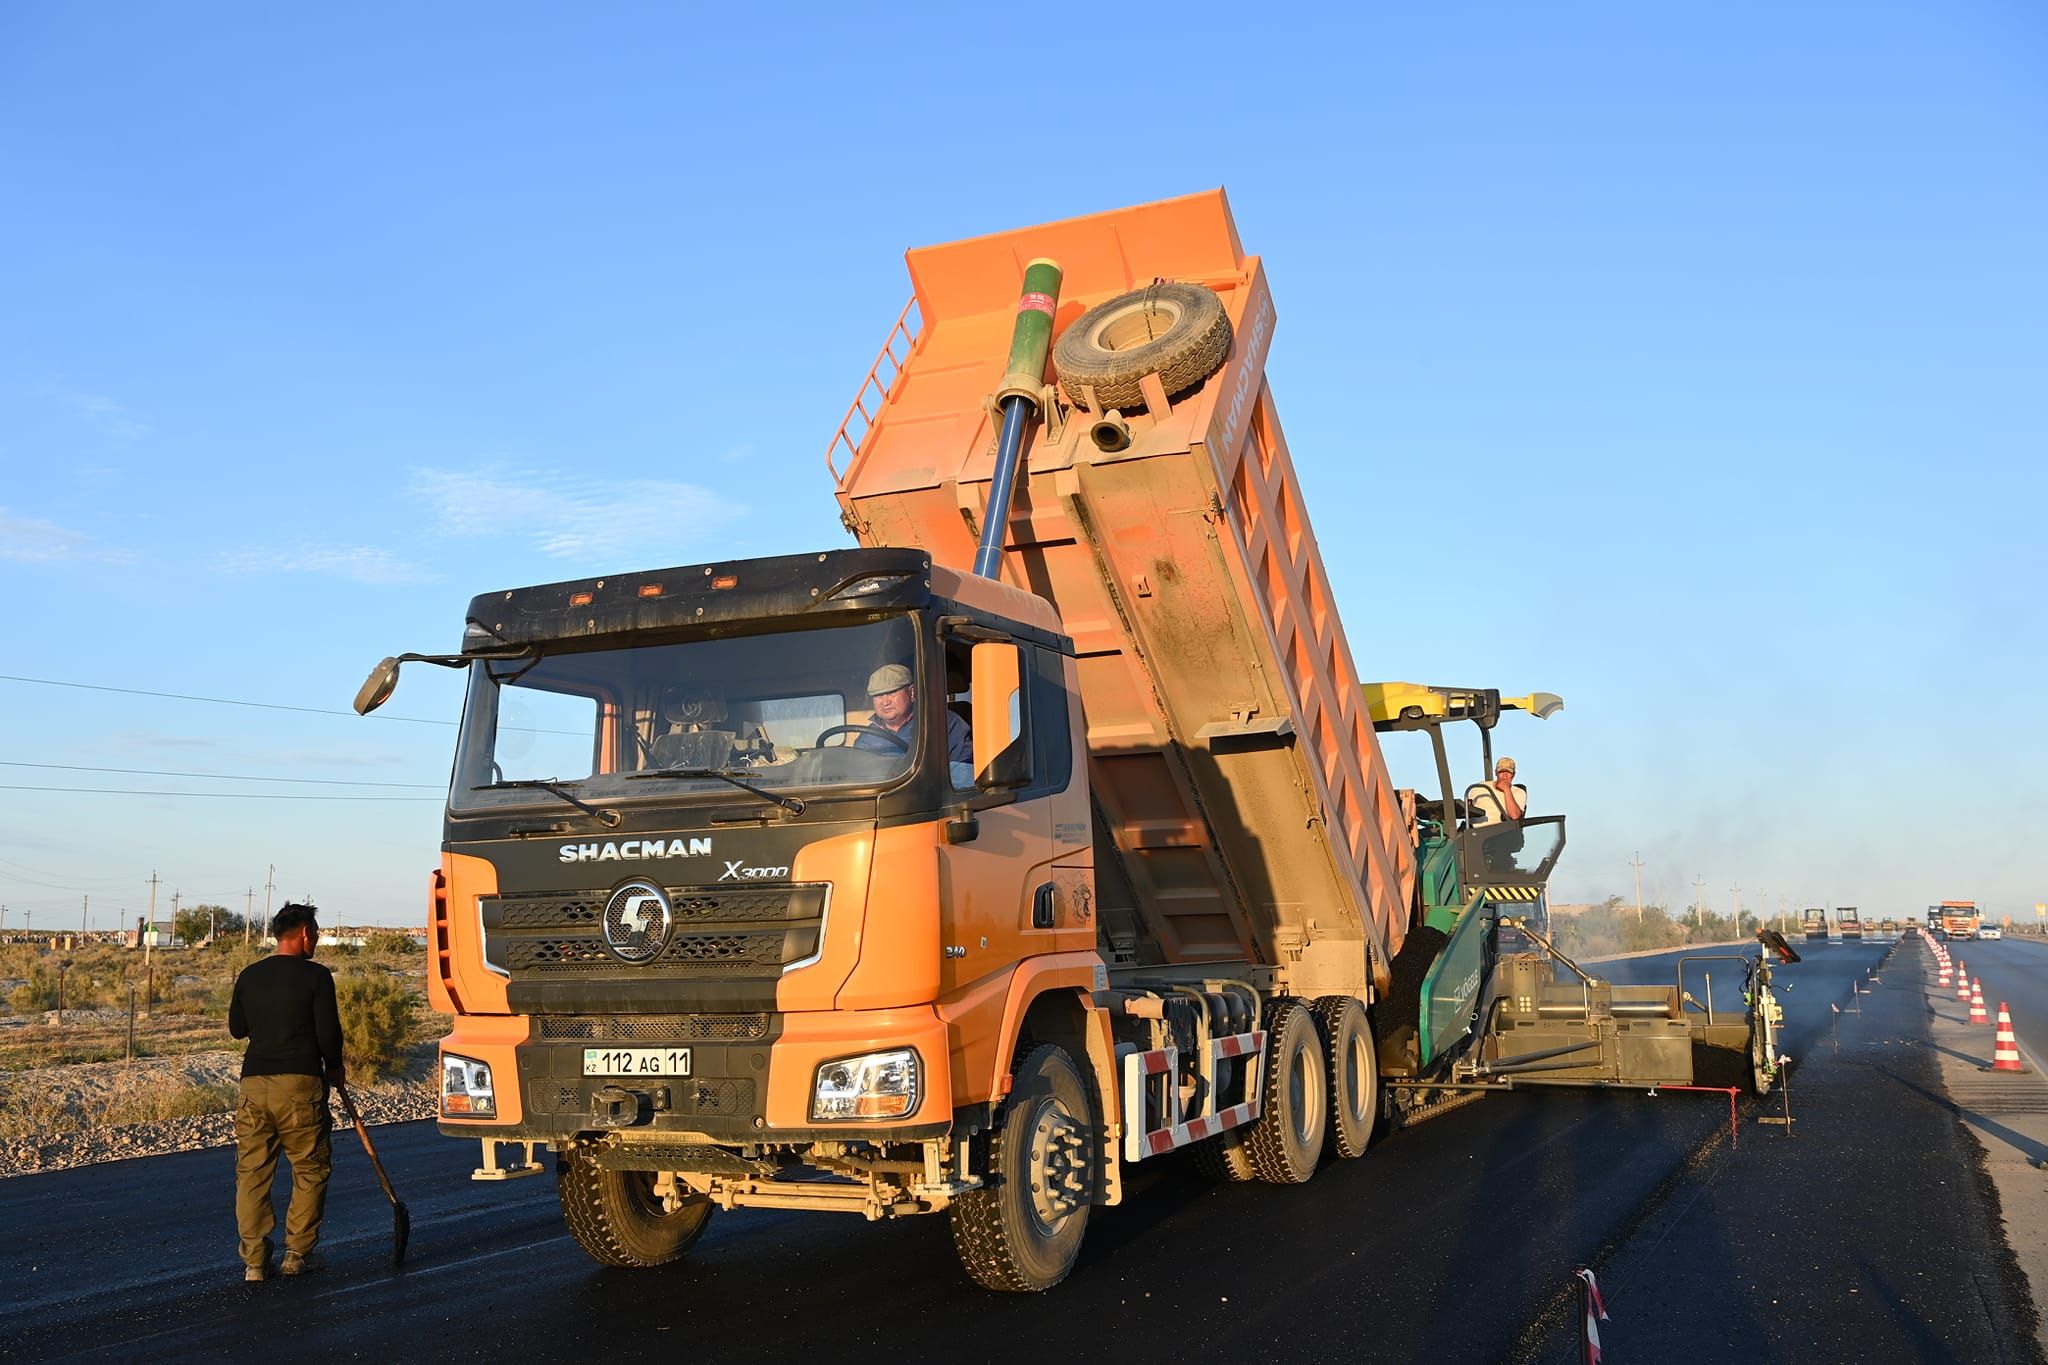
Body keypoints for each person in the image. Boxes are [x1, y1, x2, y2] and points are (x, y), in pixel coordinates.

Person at [228, 902, 344, 1282]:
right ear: (306, 933)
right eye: (317, 931)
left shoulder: (249, 975)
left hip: (253, 1084)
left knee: (253, 1172)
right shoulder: (316, 976)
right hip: (299, 1085)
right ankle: (297, 1253)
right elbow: (329, 1033)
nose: (317, 939)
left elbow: (237, 1028)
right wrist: (335, 1068)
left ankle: (255, 1263)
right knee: (309, 1168)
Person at [858, 663, 973, 784]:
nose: (885, 702)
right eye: (878, 695)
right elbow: (858, 779)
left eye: (892, 692)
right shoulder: (867, 738)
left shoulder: (943, 723)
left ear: (912, 692)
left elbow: (965, 774)